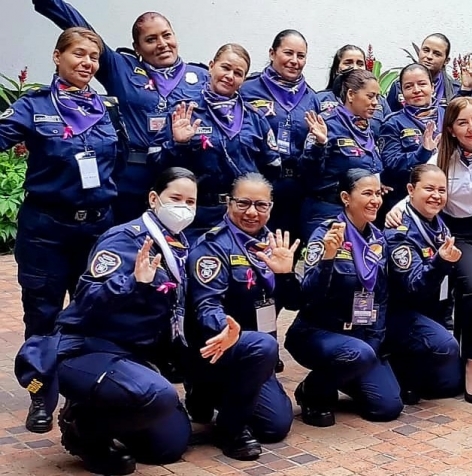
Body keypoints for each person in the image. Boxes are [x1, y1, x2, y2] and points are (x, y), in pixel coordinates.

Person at [0, 27, 118, 433]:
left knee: (93, 314)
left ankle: (82, 393)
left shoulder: (109, 109)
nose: (87, 63)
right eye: (79, 54)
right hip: (46, 231)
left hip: (97, 230)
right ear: (57, 56)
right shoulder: (32, 107)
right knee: (44, 317)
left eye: (94, 57)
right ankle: (40, 394)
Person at [45, 168, 198, 475]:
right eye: (176, 198)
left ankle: (115, 409)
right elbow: (86, 299)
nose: (183, 207)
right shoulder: (125, 240)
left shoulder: (178, 243)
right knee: (158, 396)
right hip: (89, 349)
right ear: (154, 199)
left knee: (169, 446)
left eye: (191, 201)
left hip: (137, 355)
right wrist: (132, 283)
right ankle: (83, 427)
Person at [387, 96, 472, 405]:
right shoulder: (440, 158)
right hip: (458, 234)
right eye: (463, 122)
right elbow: (420, 188)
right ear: (451, 129)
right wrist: (396, 210)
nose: (471, 127)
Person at [33, 0, 210, 222]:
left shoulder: (201, 77)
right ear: (137, 48)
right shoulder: (121, 68)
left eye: (167, 35)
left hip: (178, 176)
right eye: (151, 39)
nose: (162, 44)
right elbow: (84, 30)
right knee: (124, 243)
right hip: (131, 178)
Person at [185, 173, 297, 459]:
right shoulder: (212, 246)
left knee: (276, 426)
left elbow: (296, 301)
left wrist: (285, 275)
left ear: (271, 207)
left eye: (261, 205)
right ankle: (229, 428)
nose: (251, 212)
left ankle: (210, 395)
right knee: (262, 346)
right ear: (228, 203)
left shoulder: (274, 244)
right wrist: (225, 329)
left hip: (258, 356)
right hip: (220, 348)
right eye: (243, 203)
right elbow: (206, 305)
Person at [288, 169, 401, 427]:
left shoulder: (378, 240)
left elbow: (381, 298)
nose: (375, 200)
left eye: (378, 193)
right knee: (357, 356)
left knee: (388, 406)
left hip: (360, 337)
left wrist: (374, 340)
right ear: (345, 198)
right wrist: (328, 258)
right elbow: (307, 294)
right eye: (367, 193)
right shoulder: (326, 234)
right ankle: (311, 392)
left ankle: (344, 375)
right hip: (319, 332)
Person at [156, 43, 281, 242]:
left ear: (244, 79)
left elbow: (272, 168)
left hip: (242, 216)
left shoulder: (255, 118)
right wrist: (178, 144)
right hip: (196, 216)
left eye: (238, 73)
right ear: (211, 66)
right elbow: (158, 167)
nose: (230, 76)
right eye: (225, 67)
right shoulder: (184, 113)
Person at [384, 164, 465, 405]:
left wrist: (447, 323)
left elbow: (446, 287)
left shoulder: (440, 226)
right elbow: (413, 286)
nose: (436, 196)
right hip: (401, 315)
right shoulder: (399, 230)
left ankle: (413, 372)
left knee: (451, 385)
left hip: (432, 314)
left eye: (442, 190)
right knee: (446, 350)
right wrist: (440, 261)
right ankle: (396, 369)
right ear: (410, 189)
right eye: (428, 189)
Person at [241, 29, 321, 238]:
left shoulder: (311, 98)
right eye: (288, 53)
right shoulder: (248, 90)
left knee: (287, 254)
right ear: (272, 53)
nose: (294, 61)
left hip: (296, 189)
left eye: (300, 56)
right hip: (258, 185)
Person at [300, 69, 384, 240]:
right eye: (370, 96)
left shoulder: (367, 128)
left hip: (359, 215)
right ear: (351, 95)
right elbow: (308, 172)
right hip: (328, 212)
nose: (375, 102)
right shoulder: (327, 124)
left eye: (377, 97)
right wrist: (319, 144)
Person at [379, 63, 445, 209]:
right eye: (408, 86)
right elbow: (391, 163)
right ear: (401, 92)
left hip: (447, 198)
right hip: (406, 200)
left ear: (432, 87)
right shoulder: (393, 123)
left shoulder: (448, 116)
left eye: (422, 84)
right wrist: (423, 153)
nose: (416, 90)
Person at [384, 33, 472, 111]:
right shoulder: (399, 86)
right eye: (426, 50)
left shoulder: (455, 89)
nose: (429, 56)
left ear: (446, 61)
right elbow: (389, 118)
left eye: (437, 54)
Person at [316, 45, 390, 136]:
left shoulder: (379, 101)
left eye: (360, 64)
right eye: (348, 63)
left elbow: (389, 134)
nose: (355, 68)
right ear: (336, 69)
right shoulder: (319, 99)